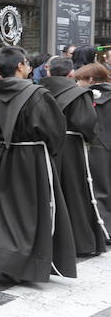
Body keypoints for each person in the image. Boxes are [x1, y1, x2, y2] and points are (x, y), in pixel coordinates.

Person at [0, 46, 77, 282]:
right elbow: (55, 131)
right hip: (33, 158)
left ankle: (3, 259)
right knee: (32, 211)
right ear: (21, 66)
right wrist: (49, 151)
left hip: (5, 158)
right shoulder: (37, 94)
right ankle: (23, 264)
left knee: (6, 211)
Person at [41, 56, 105, 257]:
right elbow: (86, 123)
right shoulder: (79, 94)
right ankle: (79, 242)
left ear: (49, 72)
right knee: (75, 193)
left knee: (50, 193)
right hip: (71, 149)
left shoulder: (38, 92)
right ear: (70, 74)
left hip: (46, 148)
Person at [75, 63, 111, 243]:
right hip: (105, 145)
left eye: (79, 79)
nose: (77, 83)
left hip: (97, 146)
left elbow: (84, 123)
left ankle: (104, 231)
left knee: (99, 190)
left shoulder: (89, 98)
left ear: (90, 80)